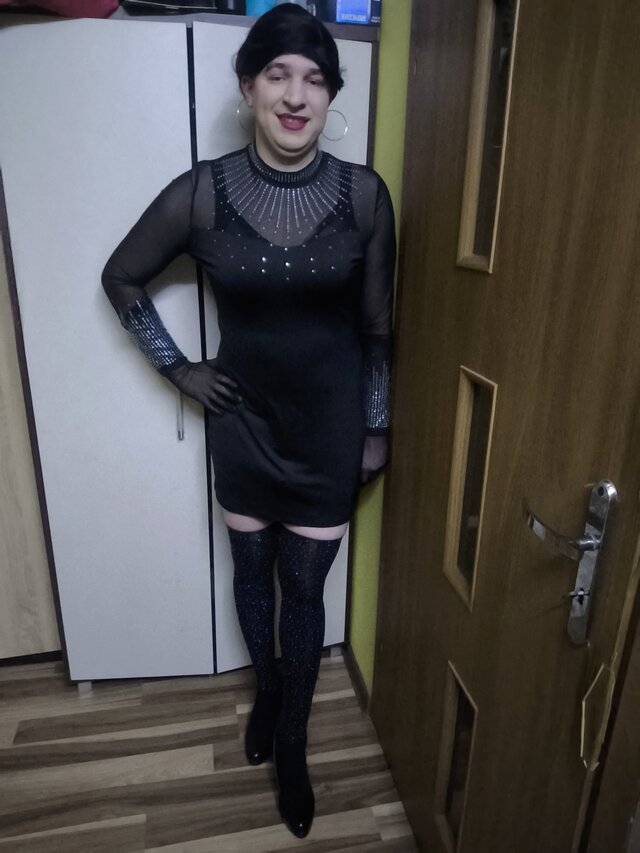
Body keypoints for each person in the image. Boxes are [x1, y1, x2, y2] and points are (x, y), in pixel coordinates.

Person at [102, 3, 395, 838]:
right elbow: (121, 276)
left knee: (303, 588)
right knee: (250, 569)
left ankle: (293, 741)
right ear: (248, 87)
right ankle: (268, 688)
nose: (296, 96)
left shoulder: (365, 197)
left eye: (315, 79)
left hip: (328, 430)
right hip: (244, 425)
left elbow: (378, 328)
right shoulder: (202, 192)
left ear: (331, 94)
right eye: (278, 75)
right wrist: (179, 368)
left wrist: (376, 429)